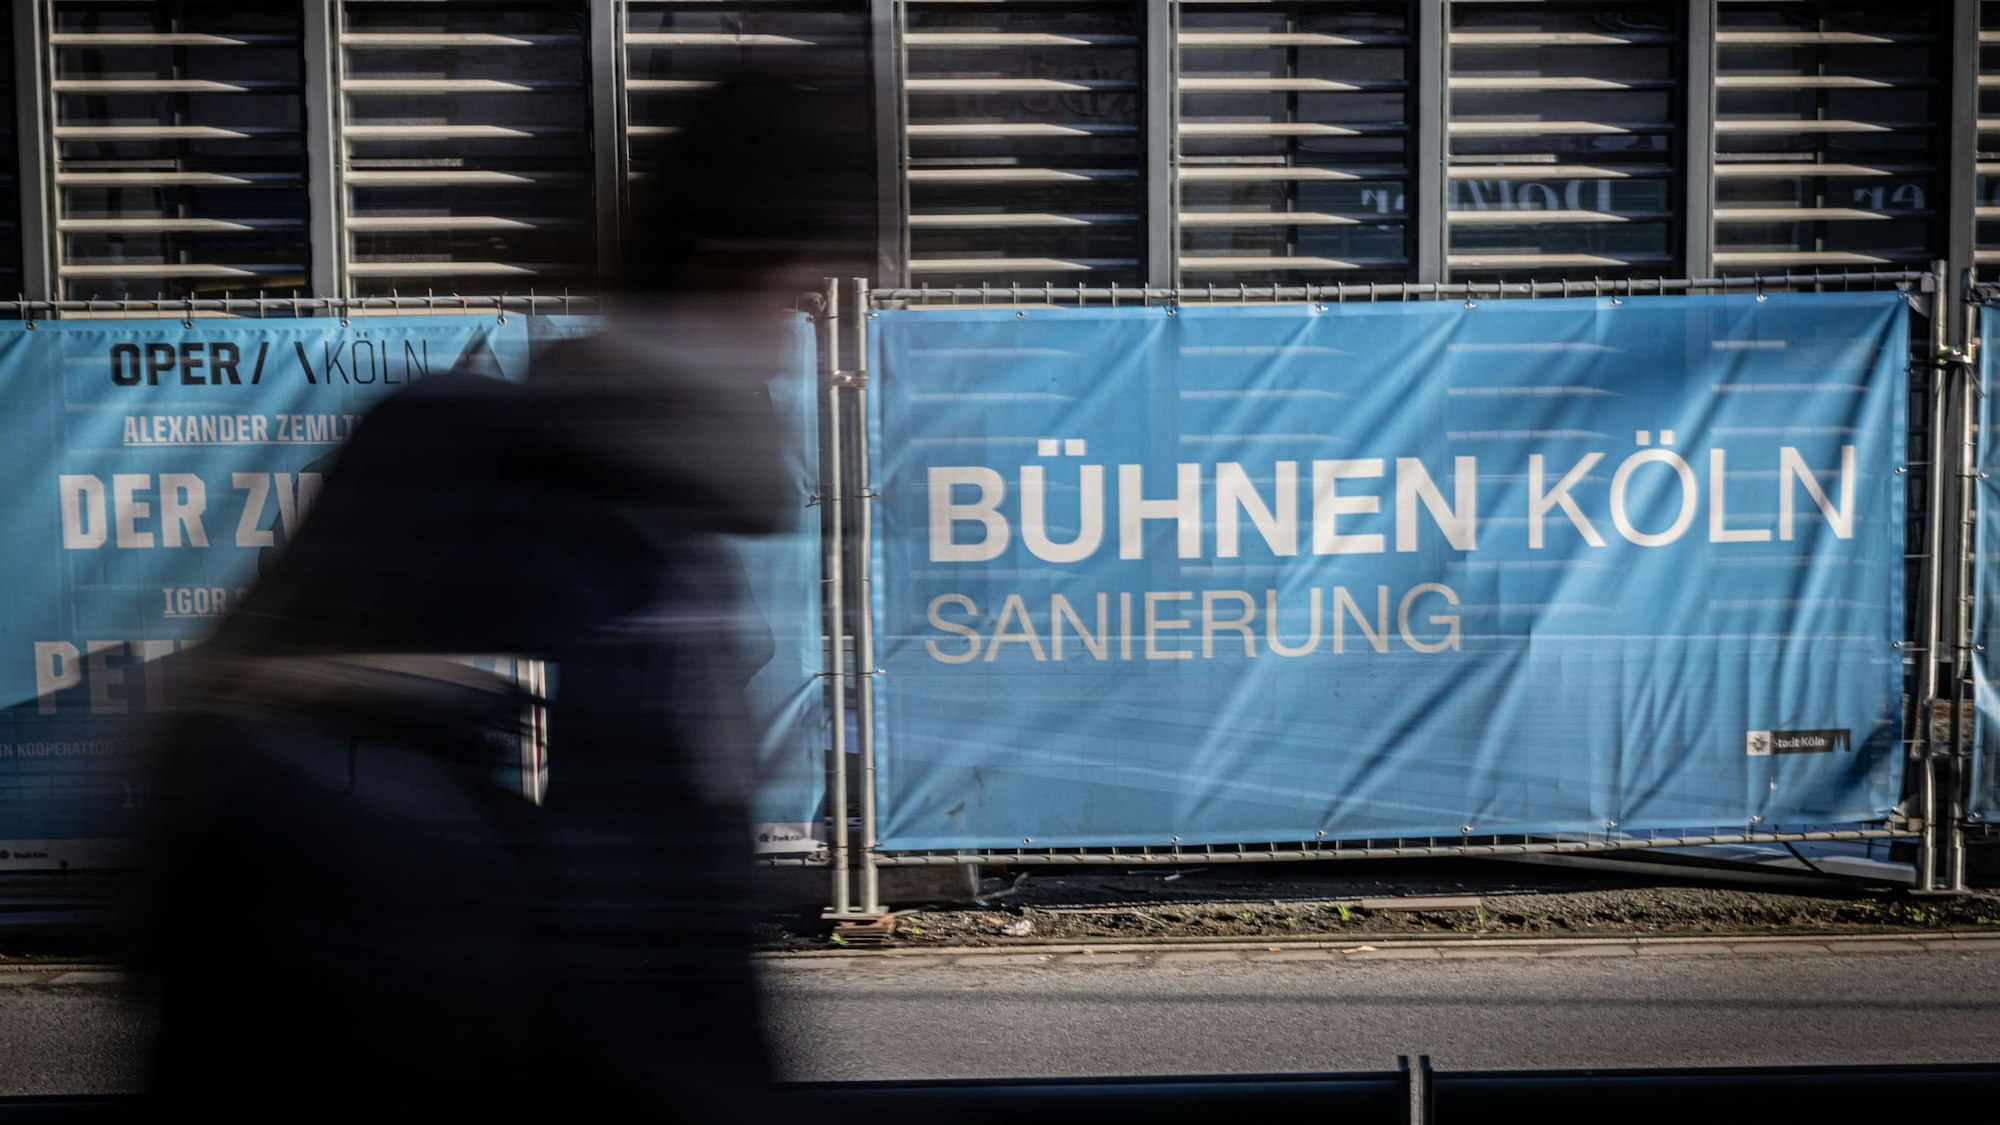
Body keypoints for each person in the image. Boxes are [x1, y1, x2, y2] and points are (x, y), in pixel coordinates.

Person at [136, 75, 873, 1121]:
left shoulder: (662, 533)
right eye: (798, 301)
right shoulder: (496, 469)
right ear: (729, 268)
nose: (812, 354)